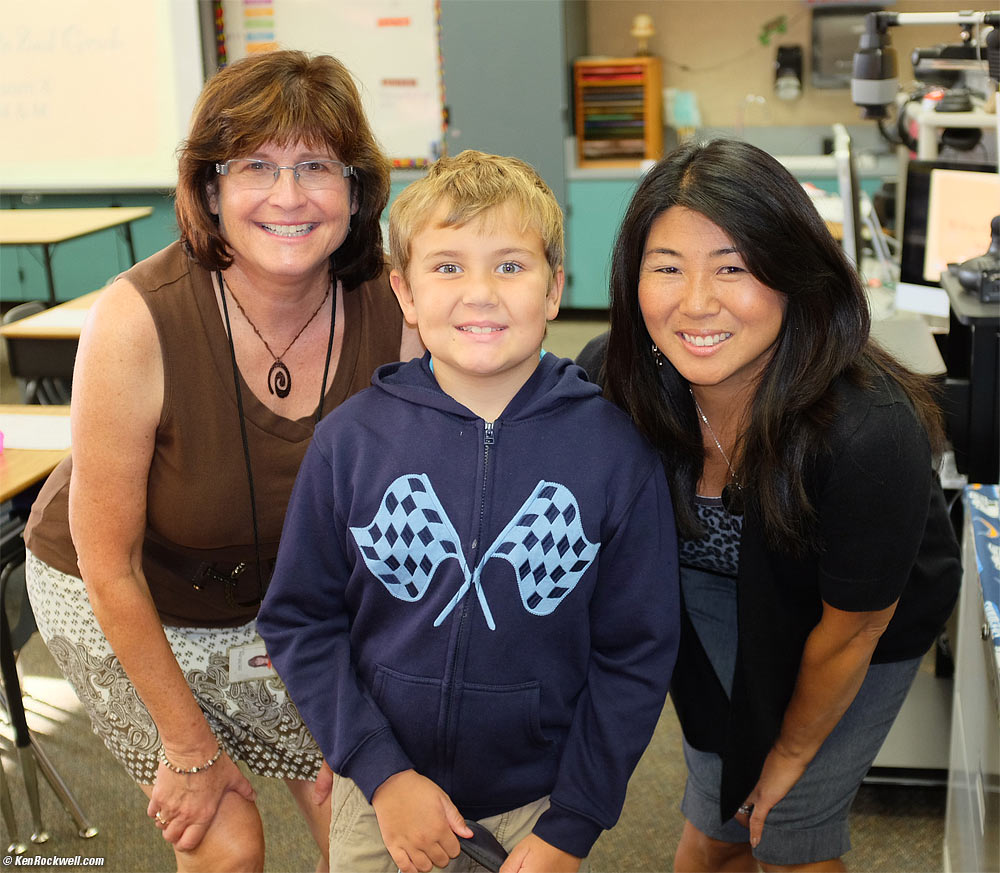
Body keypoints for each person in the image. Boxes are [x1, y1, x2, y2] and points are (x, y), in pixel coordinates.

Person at [23, 50, 422, 872]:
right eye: (255, 166)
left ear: (356, 190)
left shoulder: (398, 309)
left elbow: (408, 526)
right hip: (126, 594)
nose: (288, 195)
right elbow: (108, 563)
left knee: (366, 829)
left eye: (317, 166)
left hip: (287, 601)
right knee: (228, 841)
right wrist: (189, 746)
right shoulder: (136, 321)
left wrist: (365, 707)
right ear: (210, 190)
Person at [256, 150, 681, 873]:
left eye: (510, 266)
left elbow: (635, 653)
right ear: (405, 292)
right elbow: (300, 620)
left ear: (554, 288)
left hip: (536, 805)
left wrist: (572, 823)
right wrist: (379, 768)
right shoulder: (350, 442)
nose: (480, 293)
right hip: (383, 797)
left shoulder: (615, 454)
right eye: (448, 267)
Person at [577, 139, 961, 872]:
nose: (696, 302)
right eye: (667, 267)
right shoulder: (614, 378)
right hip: (708, 592)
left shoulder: (869, 431)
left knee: (785, 824)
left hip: (850, 618)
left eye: (733, 267)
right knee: (717, 810)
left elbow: (852, 630)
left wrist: (788, 751)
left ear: (794, 273)